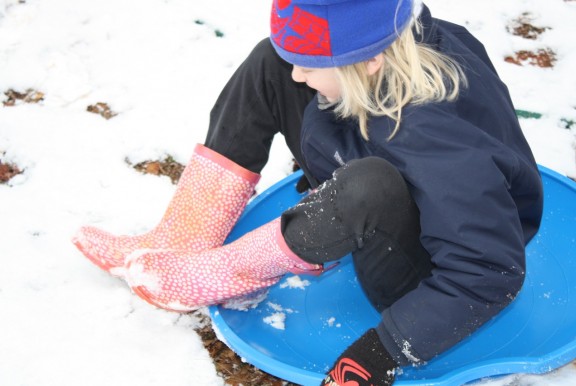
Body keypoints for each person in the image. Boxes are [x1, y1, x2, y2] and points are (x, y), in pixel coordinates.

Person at [72, 0, 544, 384]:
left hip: (424, 265)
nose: (298, 75)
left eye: (311, 66)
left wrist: (377, 356)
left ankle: (227, 274)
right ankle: (184, 236)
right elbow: (310, 72)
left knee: (366, 186)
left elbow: (489, 271)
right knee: (268, 61)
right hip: (389, 155)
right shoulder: (387, 46)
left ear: (368, 62)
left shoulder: (436, 142)